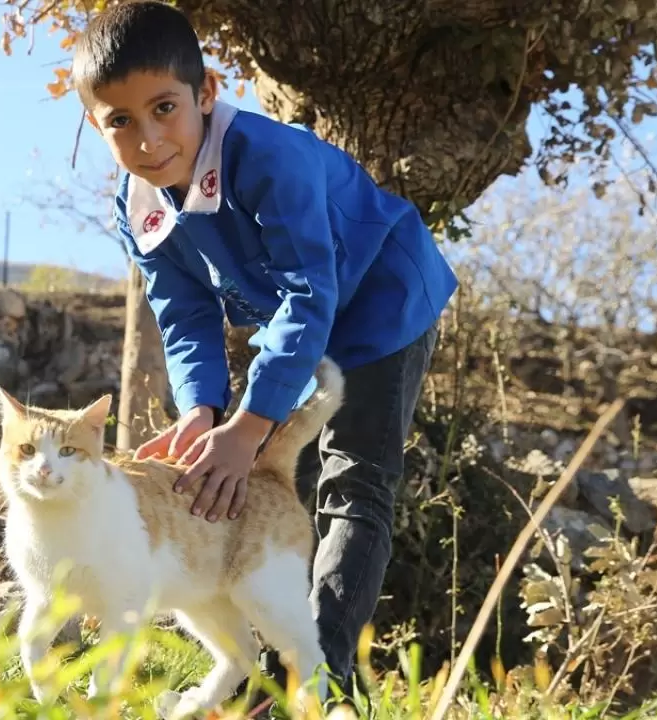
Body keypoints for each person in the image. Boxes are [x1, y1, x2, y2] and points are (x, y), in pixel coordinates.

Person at [70, 0, 458, 712]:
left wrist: (249, 427)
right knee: (244, 476)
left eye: (164, 108)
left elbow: (310, 292)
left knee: (355, 482)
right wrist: (202, 411)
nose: (148, 138)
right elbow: (184, 313)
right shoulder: (137, 204)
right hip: (294, 319)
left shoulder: (270, 158)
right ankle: (250, 667)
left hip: (382, 301)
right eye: (120, 120)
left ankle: (314, 677)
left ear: (206, 93)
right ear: (97, 126)